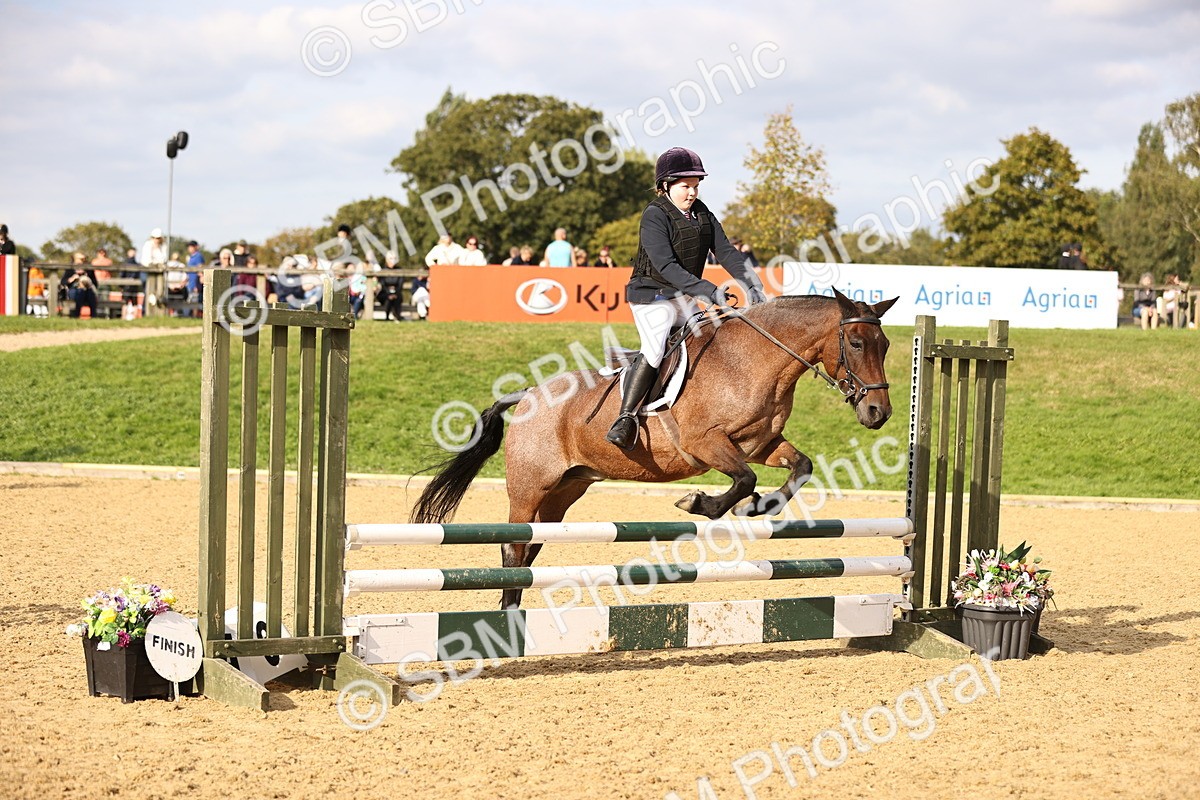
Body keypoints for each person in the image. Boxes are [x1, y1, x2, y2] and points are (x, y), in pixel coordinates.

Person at [605, 146, 768, 450]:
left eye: (695, 186)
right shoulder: (654, 215)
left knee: (709, 340)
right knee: (654, 350)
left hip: (683, 295)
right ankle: (625, 418)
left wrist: (752, 284)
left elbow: (727, 252)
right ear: (665, 186)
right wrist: (708, 290)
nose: (692, 192)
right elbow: (666, 266)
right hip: (651, 295)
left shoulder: (702, 213)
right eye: (685, 187)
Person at [64, 252, 98, 319]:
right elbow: (63, 281)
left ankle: (93, 316)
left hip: (87, 290)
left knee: (91, 294)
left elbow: (95, 282)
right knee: (78, 293)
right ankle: (75, 316)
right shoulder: (70, 268)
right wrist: (72, 279)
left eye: (84, 259)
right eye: (81, 259)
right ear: (75, 259)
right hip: (74, 289)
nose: (83, 260)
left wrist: (87, 280)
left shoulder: (88, 269)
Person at [377, 250, 405, 321]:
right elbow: (382, 284)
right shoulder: (383, 270)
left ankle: (397, 317)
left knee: (397, 298)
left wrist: (395, 293)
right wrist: (389, 293)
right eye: (391, 258)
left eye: (394, 258)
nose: (393, 261)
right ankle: (387, 317)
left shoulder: (399, 270)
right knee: (388, 299)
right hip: (385, 293)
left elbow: (400, 284)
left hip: (396, 292)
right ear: (387, 260)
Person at [185, 241, 204, 312]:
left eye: (192, 246)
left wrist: (198, 284)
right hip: (190, 283)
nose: (190, 248)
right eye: (189, 246)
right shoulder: (191, 257)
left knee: (195, 301)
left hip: (195, 283)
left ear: (196, 247)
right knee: (192, 300)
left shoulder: (198, 256)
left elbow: (200, 269)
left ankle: (195, 317)